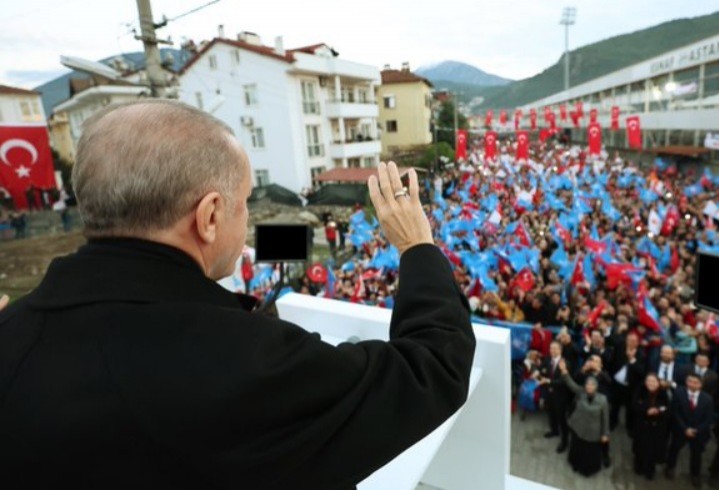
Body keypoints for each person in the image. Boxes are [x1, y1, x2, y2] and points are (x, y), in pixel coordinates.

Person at [0, 100, 476, 489]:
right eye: (244, 201)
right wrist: (416, 245)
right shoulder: (249, 363)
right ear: (208, 217)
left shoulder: (13, 335)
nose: (247, 218)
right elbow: (432, 367)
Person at [561, 361, 610, 477]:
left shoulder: (602, 400)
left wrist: (605, 434)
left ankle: (587, 470)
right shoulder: (581, 392)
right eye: (588, 384)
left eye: (592, 385)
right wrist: (564, 372)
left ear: (596, 387)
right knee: (577, 447)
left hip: (593, 432)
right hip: (578, 427)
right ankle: (575, 464)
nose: (589, 387)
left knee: (590, 452)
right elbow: (571, 384)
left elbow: (605, 418)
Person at [665, 373, 714, 487]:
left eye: (695, 382)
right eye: (689, 381)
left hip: (698, 433)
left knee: (696, 455)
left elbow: (708, 418)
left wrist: (696, 430)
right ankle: (670, 468)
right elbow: (675, 412)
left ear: (701, 385)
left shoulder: (707, 399)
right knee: (674, 450)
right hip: (680, 430)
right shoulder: (678, 393)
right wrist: (685, 428)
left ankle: (695, 475)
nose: (692, 384)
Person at [632, 373, 670, 481]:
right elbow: (634, 405)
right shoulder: (640, 391)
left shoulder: (663, 394)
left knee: (652, 450)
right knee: (640, 447)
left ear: (658, 383)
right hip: (642, 425)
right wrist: (646, 410)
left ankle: (650, 469)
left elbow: (667, 409)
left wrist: (657, 411)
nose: (651, 383)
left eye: (654, 381)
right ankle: (638, 466)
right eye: (648, 381)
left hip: (656, 427)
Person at [540, 341, 570, 452]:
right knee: (551, 413)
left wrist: (548, 381)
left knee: (562, 419)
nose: (552, 351)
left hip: (560, 396)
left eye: (555, 348)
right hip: (549, 394)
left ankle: (564, 441)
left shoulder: (565, 363)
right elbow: (542, 370)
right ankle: (554, 431)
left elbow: (564, 381)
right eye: (551, 348)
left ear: (560, 350)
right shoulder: (547, 359)